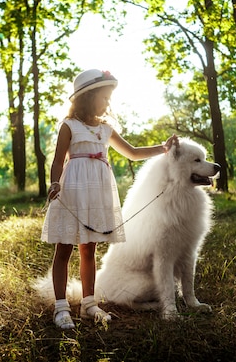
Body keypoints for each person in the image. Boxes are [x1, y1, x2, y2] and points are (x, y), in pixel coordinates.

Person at [42, 68, 179, 329]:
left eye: (108, 98)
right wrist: (55, 183)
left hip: (97, 191)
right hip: (73, 190)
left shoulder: (106, 128)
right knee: (64, 247)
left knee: (89, 247)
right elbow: (59, 160)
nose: (107, 103)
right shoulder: (68, 126)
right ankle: (61, 308)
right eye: (103, 97)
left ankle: (88, 304)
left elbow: (133, 152)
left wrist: (163, 148)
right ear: (87, 97)